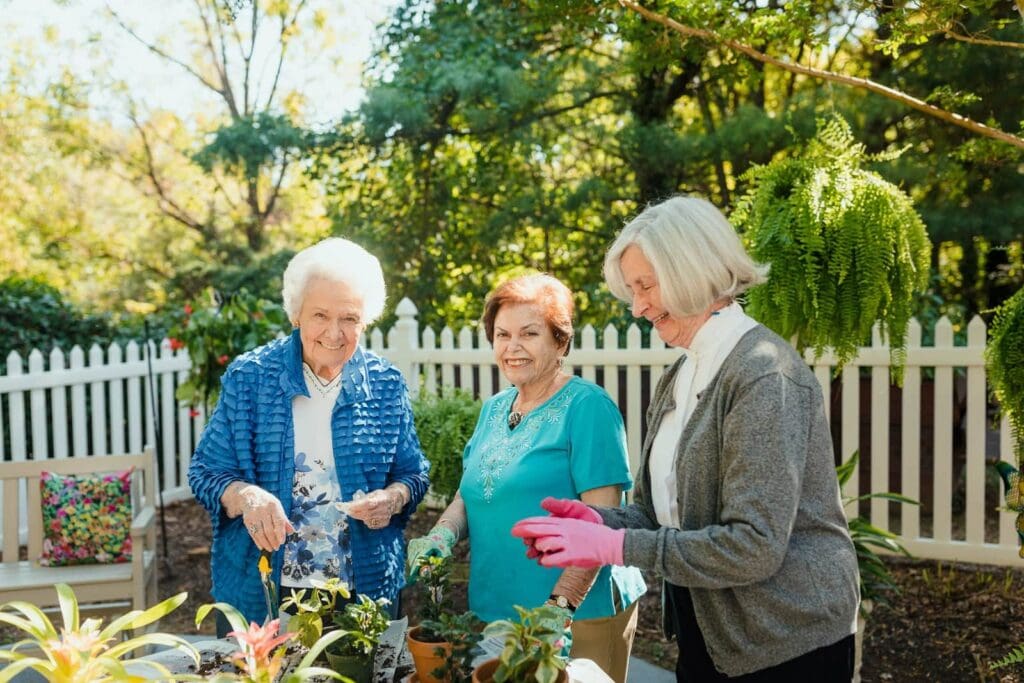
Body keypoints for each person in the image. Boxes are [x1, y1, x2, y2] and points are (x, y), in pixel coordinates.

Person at [513, 196, 860, 681]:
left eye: (646, 286)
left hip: (785, 640)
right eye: (632, 290)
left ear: (692, 270)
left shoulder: (763, 374)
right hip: (711, 630)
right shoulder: (680, 375)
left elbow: (753, 546)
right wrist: (598, 521)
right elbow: (664, 516)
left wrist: (612, 546)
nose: (637, 307)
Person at [405, 274, 645, 683]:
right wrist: (442, 535)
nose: (512, 347)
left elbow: (602, 523)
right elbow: (469, 494)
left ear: (560, 342)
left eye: (529, 334)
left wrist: (559, 611)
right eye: (502, 334)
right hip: (497, 609)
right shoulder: (495, 409)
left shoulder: (589, 408)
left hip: (578, 614)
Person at [188, 237, 430, 631]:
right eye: (320, 315)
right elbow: (205, 473)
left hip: (363, 588)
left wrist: (392, 498)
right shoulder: (249, 377)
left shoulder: (386, 383)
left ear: (364, 321)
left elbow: (414, 474)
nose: (335, 333)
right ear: (296, 314)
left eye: (349, 318)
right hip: (266, 584)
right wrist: (248, 496)